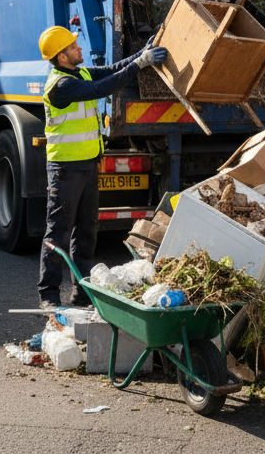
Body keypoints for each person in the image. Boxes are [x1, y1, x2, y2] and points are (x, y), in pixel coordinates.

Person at [37, 27, 167, 309]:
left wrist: (140, 55)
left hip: (87, 166)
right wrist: (139, 64)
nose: (80, 49)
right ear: (62, 56)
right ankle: (48, 296)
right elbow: (101, 88)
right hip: (65, 170)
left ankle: (82, 293)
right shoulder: (60, 86)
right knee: (57, 233)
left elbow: (111, 70)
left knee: (86, 232)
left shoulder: (79, 73)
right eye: (74, 46)